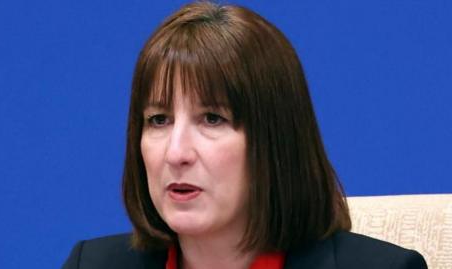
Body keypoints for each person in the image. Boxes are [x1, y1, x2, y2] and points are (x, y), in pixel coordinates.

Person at [62, 1, 427, 268]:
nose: (176, 153)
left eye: (212, 119)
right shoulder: (91, 264)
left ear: (276, 140)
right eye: (159, 120)